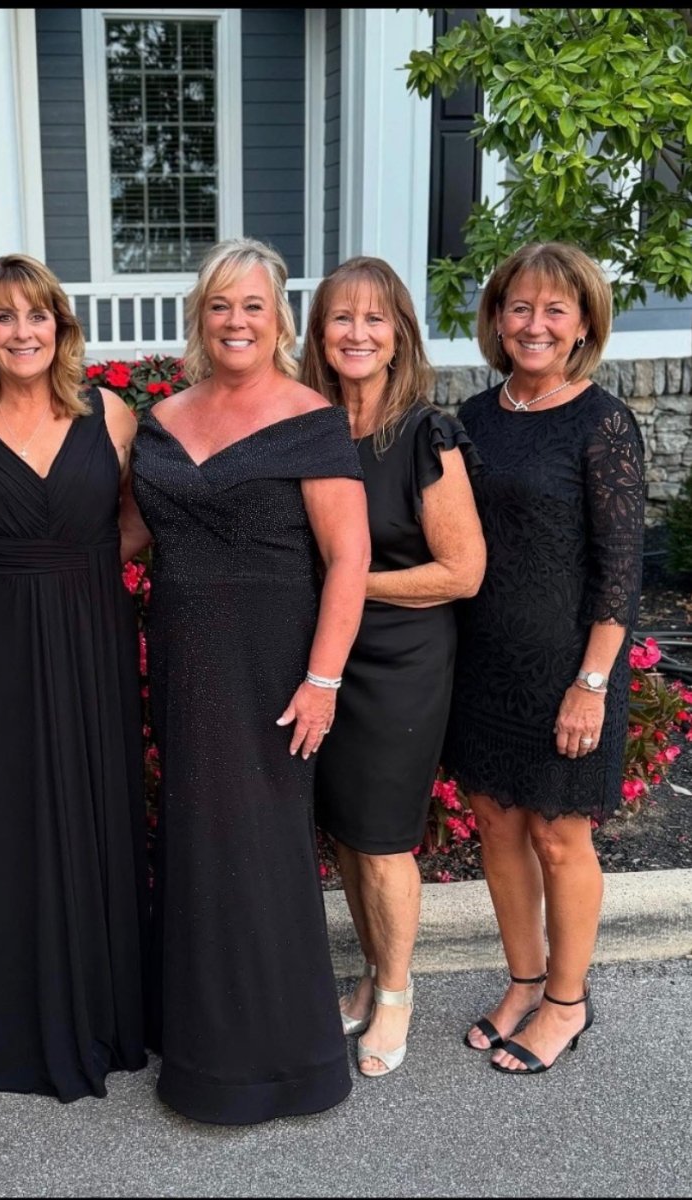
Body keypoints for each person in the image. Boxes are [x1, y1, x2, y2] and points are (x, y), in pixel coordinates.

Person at [126, 236, 371, 1124]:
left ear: (279, 321)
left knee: (260, 846)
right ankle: (195, 1038)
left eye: (254, 305)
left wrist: (322, 681)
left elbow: (349, 560)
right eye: (221, 305)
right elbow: (127, 535)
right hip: (183, 655)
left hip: (272, 662)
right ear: (201, 317)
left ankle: (279, 1063)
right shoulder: (161, 419)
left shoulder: (311, 419)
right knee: (196, 838)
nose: (236, 320)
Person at [0, 254, 148, 1100]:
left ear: (61, 326)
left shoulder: (113, 416)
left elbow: (135, 522)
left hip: (94, 637)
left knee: (96, 800)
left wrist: (71, 568)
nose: (23, 331)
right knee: (8, 814)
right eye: (3, 316)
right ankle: (8, 1022)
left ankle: (105, 1008)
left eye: (37, 314)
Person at [444, 241, 645, 1074]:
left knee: (560, 837)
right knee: (497, 824)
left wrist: (591, 684)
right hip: (483, 664)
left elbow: (621, 571)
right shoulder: (471, 417)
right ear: (497, 319)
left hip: (568, 668)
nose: (535, 324)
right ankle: (524, 981)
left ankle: (567, 1001)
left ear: (584, 324)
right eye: (519, 307)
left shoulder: (603, 423)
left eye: (556, 309)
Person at [299, 257, 486, 1078]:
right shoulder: (308, 428)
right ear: (319, 335)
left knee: (381, 840)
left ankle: (400, 991)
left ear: (400, 334)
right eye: (341, 318)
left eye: (375, 319)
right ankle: (373, 972)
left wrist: (348, 584)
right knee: (346, 830)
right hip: (323, 655)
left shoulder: (423, 435)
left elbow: (463, 571)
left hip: (401, 659)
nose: (358, 333)